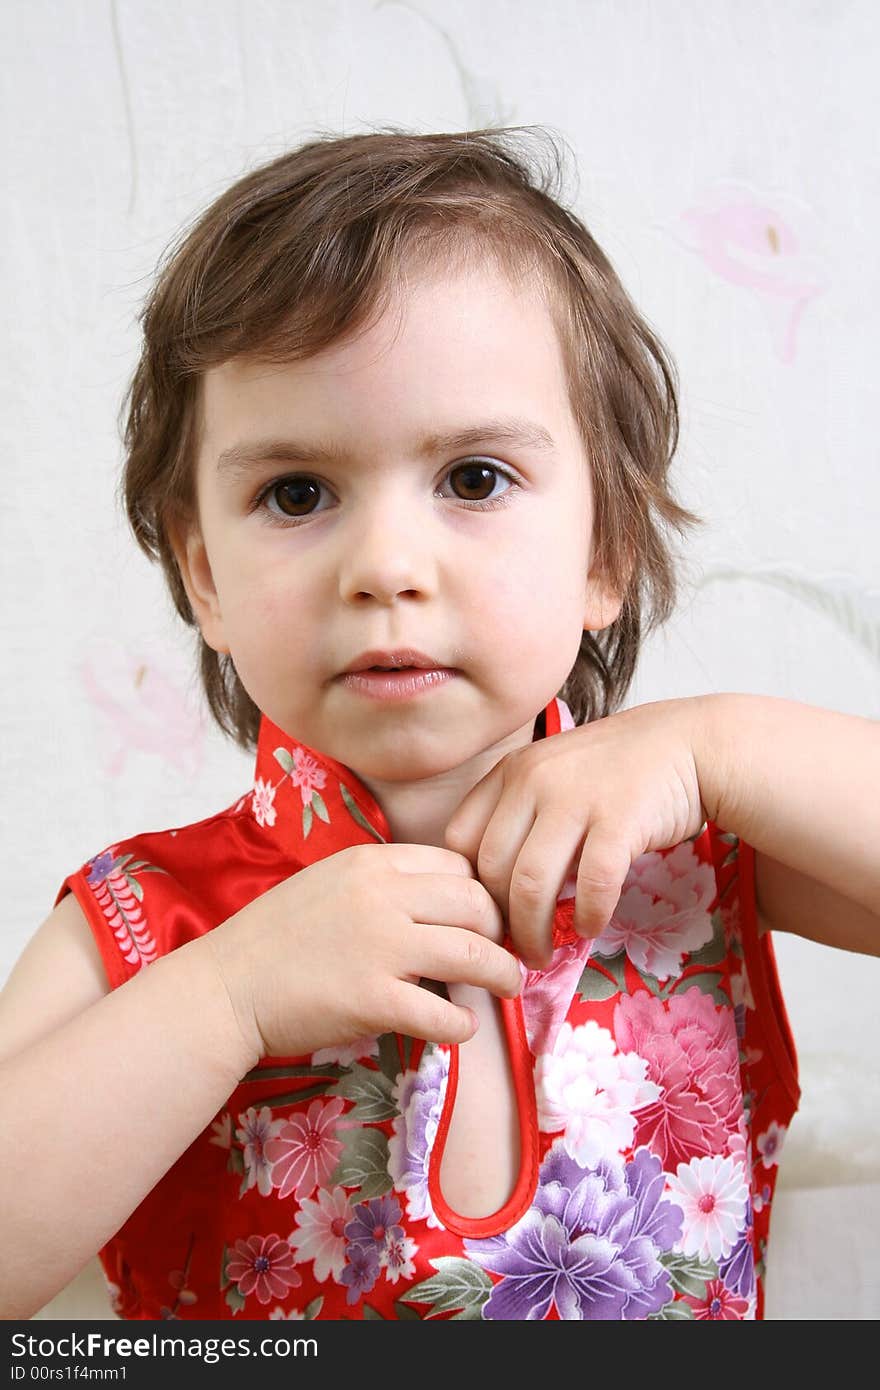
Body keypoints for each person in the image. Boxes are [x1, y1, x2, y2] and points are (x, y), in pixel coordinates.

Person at [0, 126, 876, 1323]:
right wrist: (227, 999)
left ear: (605, 550)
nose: (386, 565)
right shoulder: (144, 923)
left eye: (472, 479)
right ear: (203, 575)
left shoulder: (695, 859)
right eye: (296, 493)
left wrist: (715, 744)